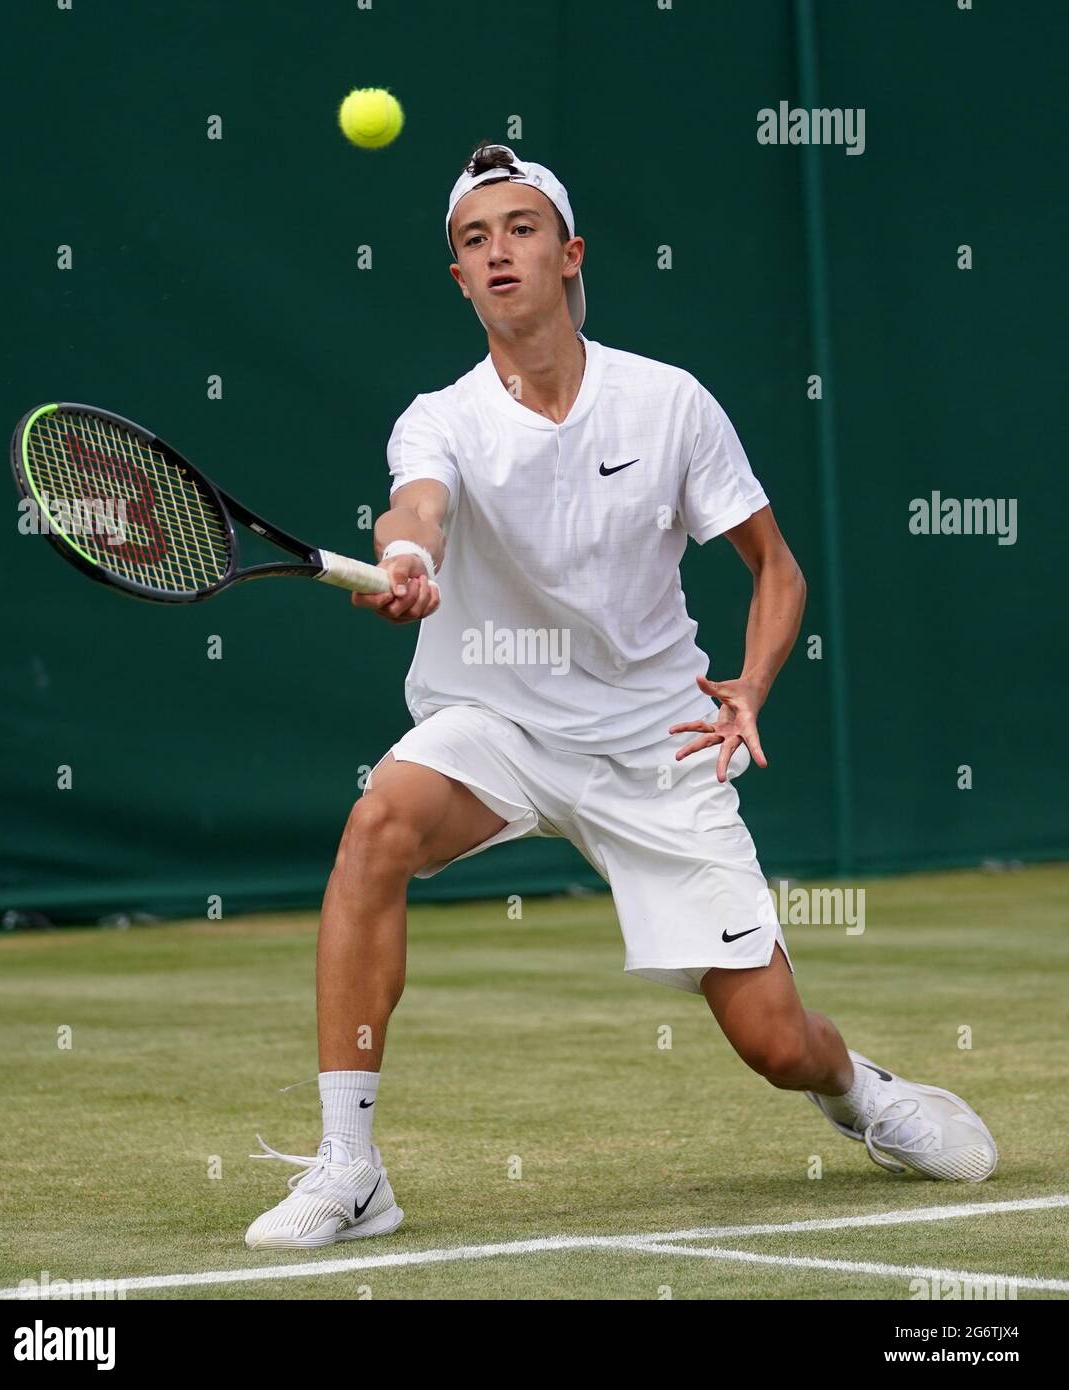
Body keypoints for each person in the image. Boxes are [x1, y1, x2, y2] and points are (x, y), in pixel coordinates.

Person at [244, 142, 997, 1250]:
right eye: (471, 240)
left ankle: (861, 1095)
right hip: (498, 723)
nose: (496, 253)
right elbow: (417, 510)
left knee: (774, 1043)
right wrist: (406, 557)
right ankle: (351, 1169)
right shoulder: (439, 418)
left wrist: (750, 682)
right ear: (458, 278)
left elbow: (774, 568)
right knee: (378, 824)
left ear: (568, 252)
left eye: (518, 230)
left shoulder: (667, 404)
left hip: (655, 743)